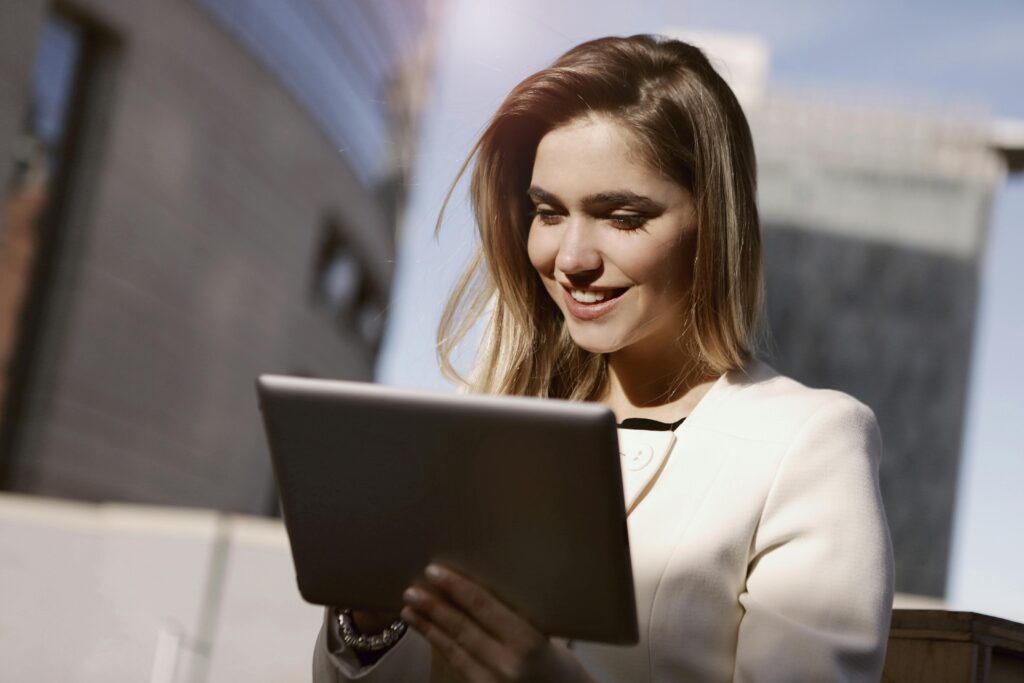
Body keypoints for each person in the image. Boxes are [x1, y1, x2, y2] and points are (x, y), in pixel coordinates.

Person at [313, 34, 894, 682]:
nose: (570, 259)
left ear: (712, 222)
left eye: (620, 216)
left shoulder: (807, 442)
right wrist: (369, 622)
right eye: (547, 212)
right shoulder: (481, 427)